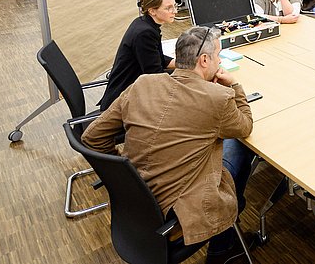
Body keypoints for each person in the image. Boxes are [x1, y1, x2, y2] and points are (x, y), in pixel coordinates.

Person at [83, 26, 256, 264]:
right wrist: (235, 85)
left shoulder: (142, 84)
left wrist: (123, 171)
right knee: (239, 147)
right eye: (217, 56)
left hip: (135, 204)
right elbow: (245, 126)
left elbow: (92, 137)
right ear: (204, 60)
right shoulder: (218, 98)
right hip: (178, 211)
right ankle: (222, 249)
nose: (219, 62)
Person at [99, 0, 177, 110]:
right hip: (124, 100)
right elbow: (155, 74)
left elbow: (155, 58)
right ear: (152, 11)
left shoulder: (143, 23)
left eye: (175, 6)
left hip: (131, 88)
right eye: (168, 8)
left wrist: (183, 64)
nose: (175, 11)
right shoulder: (145, 33)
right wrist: (191, 72)